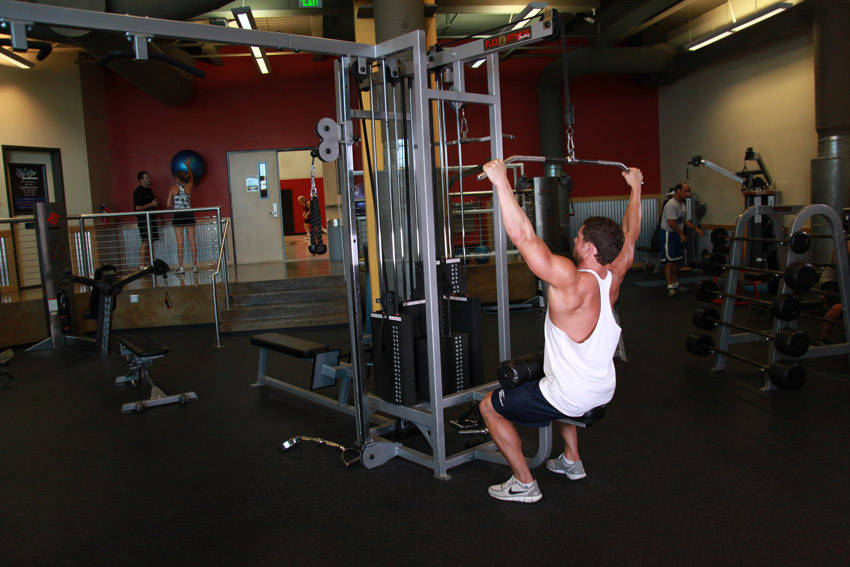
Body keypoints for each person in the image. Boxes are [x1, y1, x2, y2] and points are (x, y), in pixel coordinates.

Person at [478, 159, 643, 503]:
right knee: (552, 381)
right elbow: (631, 233)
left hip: (572, 394)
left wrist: (500, 182)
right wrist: (636, 186)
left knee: (489, 407)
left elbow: (523, 237)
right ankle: (571, 460)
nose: (576, 237)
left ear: (589, 249)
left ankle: (524, 483)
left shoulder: (569, 279)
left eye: (580, 236)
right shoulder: (614, 274)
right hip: (602, 389)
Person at [659, 183, 703, 297]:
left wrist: (695, 228)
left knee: (675, 261)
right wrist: (682, 234)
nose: (688, 194)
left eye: (689, 191)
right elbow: (671, 222)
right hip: (668, 234)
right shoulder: (671, 204)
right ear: (678, 191)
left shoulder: (682, 204)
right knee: (669, 262)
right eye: (686, 191)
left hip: (676, 234)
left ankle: (675, 284)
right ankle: (670, 287)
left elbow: (684, 220)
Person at [167, 159, 198, 274]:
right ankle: (195, 266)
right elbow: (191, 177)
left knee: (180, 242)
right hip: (189, 214)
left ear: (177, 179)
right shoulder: (189, 186)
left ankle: (181, 267)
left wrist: (174, 206)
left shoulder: (173, 189)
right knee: (192, 241)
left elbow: (168, 204)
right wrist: (188, 166)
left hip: (178, 215)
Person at [133, 170, 160, 268]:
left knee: (151, 242)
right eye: (147, 178)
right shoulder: (137, 192)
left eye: (149, 178)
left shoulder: (150, 190)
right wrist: (151, 204)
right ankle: (141, 266)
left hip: (152, 219)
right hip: (143, 220)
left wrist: (157, 216)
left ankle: (150, 265)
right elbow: (137, 208)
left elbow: (153, 204)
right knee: (145, 241)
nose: (149, 180)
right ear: (141, 180)